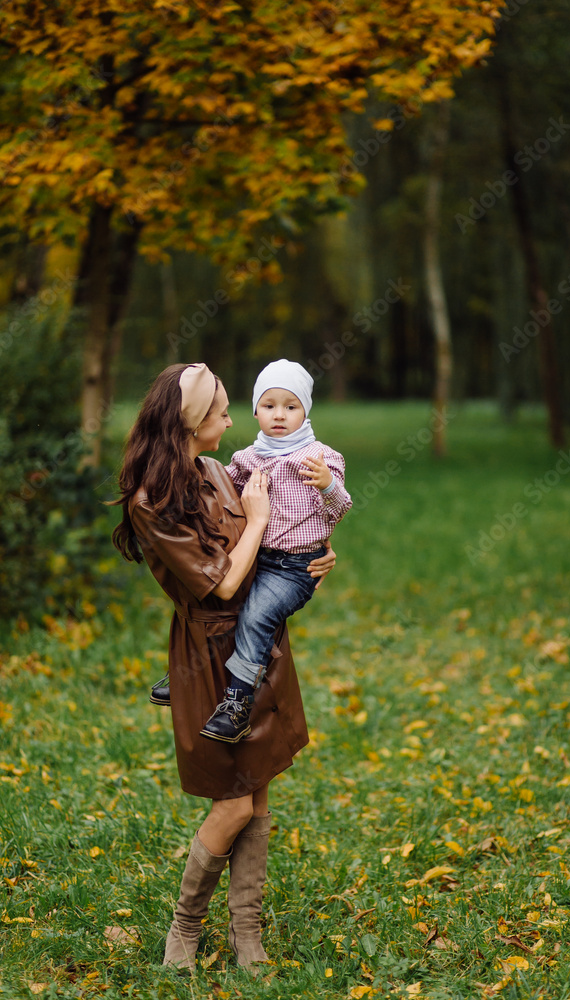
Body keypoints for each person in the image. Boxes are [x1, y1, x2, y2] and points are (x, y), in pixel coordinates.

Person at [110, 362, 335, 974]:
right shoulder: (152, 501)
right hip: (211, 658)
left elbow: (270, 543)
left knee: (258, 796)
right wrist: (259, 521)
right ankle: (184, 928)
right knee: (233, 803)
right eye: (224, 413)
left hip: (259, 648)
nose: (236, 422)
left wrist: (315, 547)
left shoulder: (213, 470)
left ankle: (247, 933)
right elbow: (221, 580)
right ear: (191, 423)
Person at [199, 359, 352, 743]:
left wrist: (328, 485)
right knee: (222, 611)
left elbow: (341, 508)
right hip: (257, 557)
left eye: (291, 406)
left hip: (295, 569)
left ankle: (236, 704)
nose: (279, 415)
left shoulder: (321, 459)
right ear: (255, 411)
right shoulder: (247, 459)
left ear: (306, 411)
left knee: (255, 616)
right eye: (269, 406)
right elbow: (223, 497)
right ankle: (193, 678)